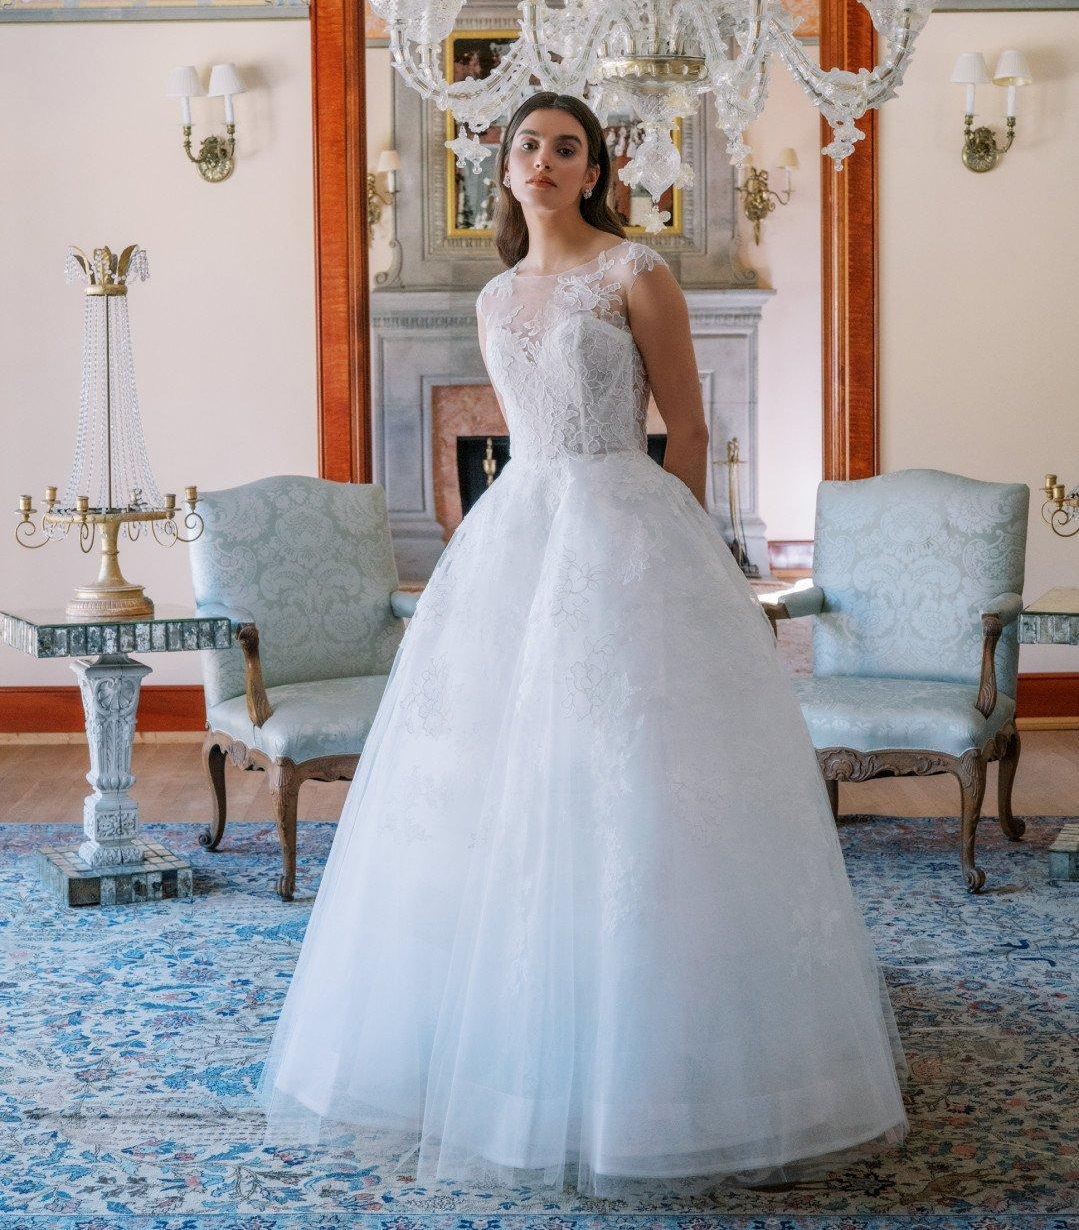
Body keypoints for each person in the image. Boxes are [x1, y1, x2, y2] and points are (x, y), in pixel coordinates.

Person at [254, 90, 909, 1198]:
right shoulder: (496, 294)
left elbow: (687, 426)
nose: (544, 160)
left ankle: (671, 1050)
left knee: (640, 769)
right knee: (502, 770)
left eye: (566, 147)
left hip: (630, 522)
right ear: (501, 169)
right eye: (527, 145)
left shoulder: (634, 270)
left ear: (593, 168)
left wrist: (690, 549)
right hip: (518, 532)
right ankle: (503, 1043)